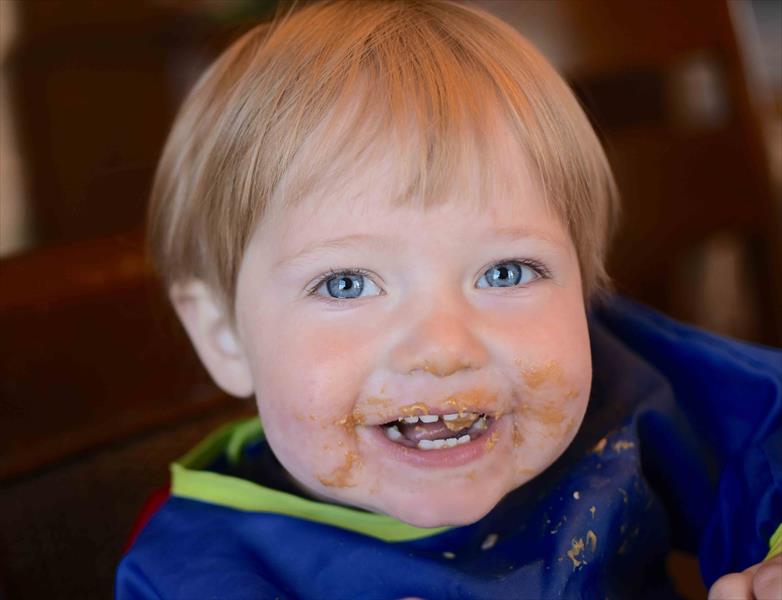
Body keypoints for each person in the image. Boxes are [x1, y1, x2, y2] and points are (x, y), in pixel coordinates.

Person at [116, 1, 782, 597]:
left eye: (505, 273)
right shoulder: (195, 573)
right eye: (346, 283)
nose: (442, 346)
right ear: (222, 334)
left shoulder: (625, 384)